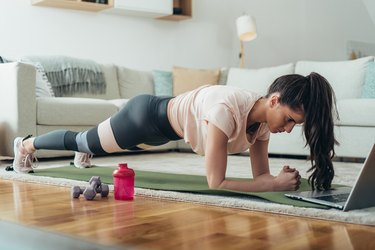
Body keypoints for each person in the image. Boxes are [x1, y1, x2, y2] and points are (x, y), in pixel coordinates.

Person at [12, 72, 338, 192]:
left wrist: (274, 180)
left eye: (297, 124)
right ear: (275, 99)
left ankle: (91, 145)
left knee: (94, 142)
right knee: (82, 141)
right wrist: (270, 185)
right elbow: (216, 181)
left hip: (165, 131)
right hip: (144, 118)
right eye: (291, 118)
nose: (290, 128)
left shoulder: (264, 123)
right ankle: (26, 144)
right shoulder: (226, 110)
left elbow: (261, 177)